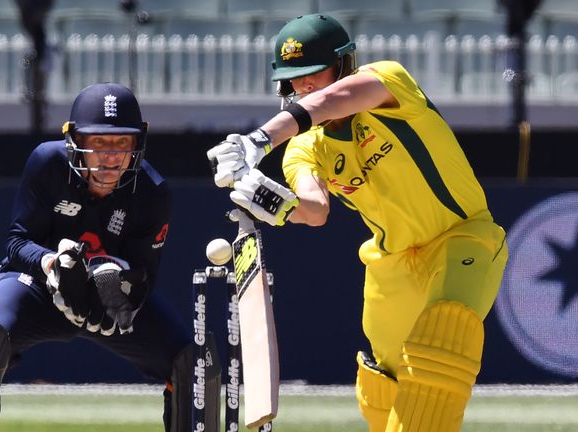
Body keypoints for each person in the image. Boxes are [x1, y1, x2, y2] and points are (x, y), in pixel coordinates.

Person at [207, 14, 508, 432]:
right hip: (391, 265)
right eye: (295, 79)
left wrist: (258, 139)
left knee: (443, 344)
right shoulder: (304, 149)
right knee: (383, 386)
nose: (306, 85)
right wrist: (273, 202)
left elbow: (329, 102)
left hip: (462, 237)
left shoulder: (388, 82)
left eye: (315, 72)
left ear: (344, 65)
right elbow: (315, 209)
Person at [0, 82, 220, 432]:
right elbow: (17, 243)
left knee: (194, 363)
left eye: (122, 143)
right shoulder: (47, 163)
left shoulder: (153, 192)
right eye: (98, 142)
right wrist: (53, 264)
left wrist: (116, 285)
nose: (111, 156)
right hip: (40, 290)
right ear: (75, 141)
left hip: (110, 303)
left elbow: (145, 274)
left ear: (138, 144)